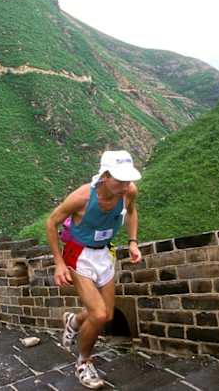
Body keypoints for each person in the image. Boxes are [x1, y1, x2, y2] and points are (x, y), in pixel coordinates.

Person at [46, 150, 143, 389]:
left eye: (128, 180)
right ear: (105, 176)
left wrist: (132, 242)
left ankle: (73, 321)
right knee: (98, 314)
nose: (125, 186)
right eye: (119, 180)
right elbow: (51, 222)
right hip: (78, 253)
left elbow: (131, 212)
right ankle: (84, 362)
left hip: (104, 252)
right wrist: (59, 263)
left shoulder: (128, 191)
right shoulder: (82, 198)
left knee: (107, 315)